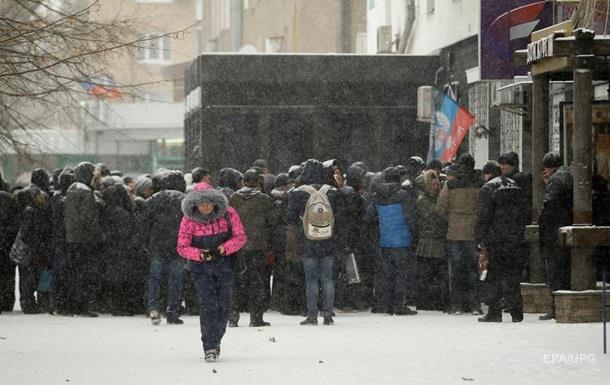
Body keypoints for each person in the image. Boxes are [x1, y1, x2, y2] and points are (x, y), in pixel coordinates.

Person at [177, 187, 247, 362]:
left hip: (225, 266)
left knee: (224, 305)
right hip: (200, 269)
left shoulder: (229, 214)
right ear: (195, 205)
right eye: (201, 204)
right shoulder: (188, 220)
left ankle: (216, 340)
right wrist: (200, 254)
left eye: (209, 203)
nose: (206, 207)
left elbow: (240, 237)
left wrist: (223, 249)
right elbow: (182, 247)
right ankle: (209, 345)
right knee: (208, 305)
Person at [288, 159, 339, 325]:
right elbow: (340, 217)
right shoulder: (331, 191)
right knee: (328, 278)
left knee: (311, 279)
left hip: (308, 239)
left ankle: (311, 315)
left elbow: (289, 217)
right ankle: (328, 314)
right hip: (328, 240)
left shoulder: (298, 193)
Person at [475, 162, 528, 322]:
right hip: (515, 239)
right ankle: (516, 312)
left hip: (496, 240)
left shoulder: (488, 189)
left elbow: (483, 217)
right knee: (512, 276)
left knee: (494, 276)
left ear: (488, 174)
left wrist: (480, 239)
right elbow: (523, 212)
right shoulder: (515, 186)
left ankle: (494, 311)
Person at [364, 167, 417, 315]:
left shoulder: (377, 196)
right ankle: (399, 305)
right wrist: (414, 235)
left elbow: (368, 217)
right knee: (401, 274)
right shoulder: (404, 195)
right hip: (402, 240)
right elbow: (410, 218)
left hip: (385, 240)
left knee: (385, 274)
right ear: (398, 179)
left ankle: (383, 304)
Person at [228, 168, 277, 327]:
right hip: (257, 245)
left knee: (236, 282)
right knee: (256, 282)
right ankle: (256, 317)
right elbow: (273, 221)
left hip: (237, 246)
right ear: (259, 182)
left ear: (243, 181)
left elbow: (227, 222)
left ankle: (233, 316)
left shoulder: (233, 198)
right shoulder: (264, 199)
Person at [438, 154, 483, 315]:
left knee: (456, 271)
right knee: (472, 270)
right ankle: (475, 304)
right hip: (472, 232)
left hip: (454, 232)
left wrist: (451, 219)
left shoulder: (450, 185)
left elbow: (441, 207)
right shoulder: (480, 184)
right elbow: (483, 207)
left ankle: (456, 304)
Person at [62, 162, 105, 317]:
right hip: (85, 239)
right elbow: (89, 218)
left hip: (72, 237)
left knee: (73, 272)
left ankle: (70, 305)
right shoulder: (86, 191)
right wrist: (97, 235)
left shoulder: (72, 188)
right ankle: (83, 306)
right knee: (85, 273)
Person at [144, 171, 186, 325]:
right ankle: (172, 311)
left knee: (155, 278)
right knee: (175, 279)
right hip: (178, 245)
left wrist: (146, 242)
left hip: (157, 244)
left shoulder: (153, 199)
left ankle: (153, 307)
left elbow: (145, 224)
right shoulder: (185, 201)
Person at [538, 152, 573, 320]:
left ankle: (555, 307)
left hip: (554, 230)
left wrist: (542, 223)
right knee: (565, 268)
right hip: (568, 226)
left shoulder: (556, 179)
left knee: (554, 271)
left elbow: (550, 204)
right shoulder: (570, 175)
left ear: (547, 167)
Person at [414, 170, 448, 311]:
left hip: (434, 239)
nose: (436, 186)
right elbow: (436, 214)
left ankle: (432, 300)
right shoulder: (424, 200)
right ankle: (426, 301)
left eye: (437, 184)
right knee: (428, 274)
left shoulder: (430, 199)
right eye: (433, 184)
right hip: (429, 240)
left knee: (432, 273)